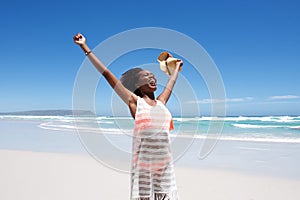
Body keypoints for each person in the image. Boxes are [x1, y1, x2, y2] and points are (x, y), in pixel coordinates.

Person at [73, 33, 182, 200]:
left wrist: (176, 70)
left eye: (152, 75)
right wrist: (85, 47)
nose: (152, 77)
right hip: (144, 167)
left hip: (165, 165)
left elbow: (171, 83)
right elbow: (107, 74)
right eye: (146, 76)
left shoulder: (161, 102)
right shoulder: (135, 102)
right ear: (137, 84)